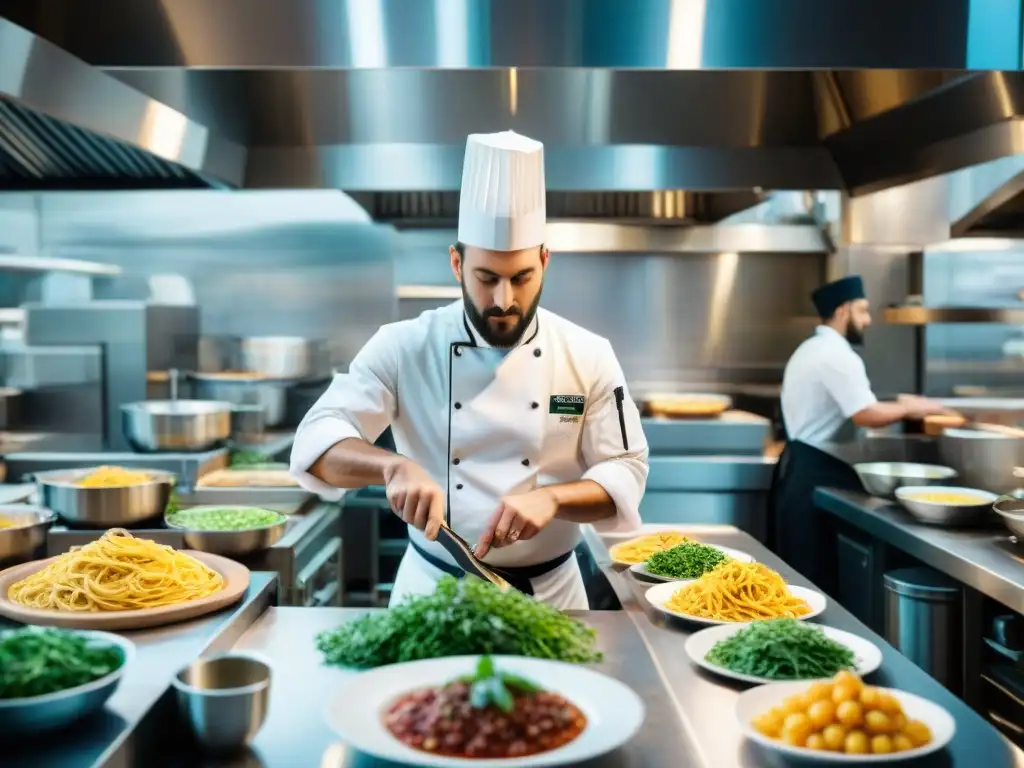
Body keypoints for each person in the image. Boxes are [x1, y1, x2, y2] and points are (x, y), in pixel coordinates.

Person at [289, 130, 649, 609]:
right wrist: (391, 465)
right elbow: (316, 442)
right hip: (432, 592)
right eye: (487, 278)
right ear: (457, 264)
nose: (504, 300)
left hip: (553, 597)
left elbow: (626, 470)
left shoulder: (588, 354)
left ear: (544, 261)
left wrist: (555, 499)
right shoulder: (404, 346)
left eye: (522, 277)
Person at [770, 275, 945, 589]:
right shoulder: (837, 355)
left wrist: (900, 403)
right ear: (842, 311)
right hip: (816, 476)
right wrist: (912, 408)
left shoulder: (811, 348)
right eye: (862, 310)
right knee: (814, 582)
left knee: (800, 581)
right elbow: (865, 414)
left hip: (801, 470)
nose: (868, 320)